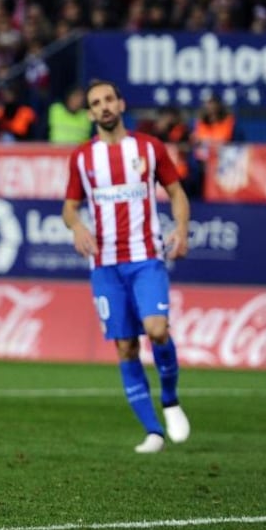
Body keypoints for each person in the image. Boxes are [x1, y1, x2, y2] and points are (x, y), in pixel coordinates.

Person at [62, 79, 191, 454]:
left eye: (108, 100)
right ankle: (153, 431)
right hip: (104, 264)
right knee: (125, 346)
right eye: (95, 103)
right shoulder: (83, 159)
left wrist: (181, 228)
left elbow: (177, 193)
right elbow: (69, 207)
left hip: (145, 257)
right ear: (89, 113)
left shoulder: (149, 149)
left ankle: (169, 400)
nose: (103, 107)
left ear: (121, 104)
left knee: (157, 329)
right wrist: (77, 226)